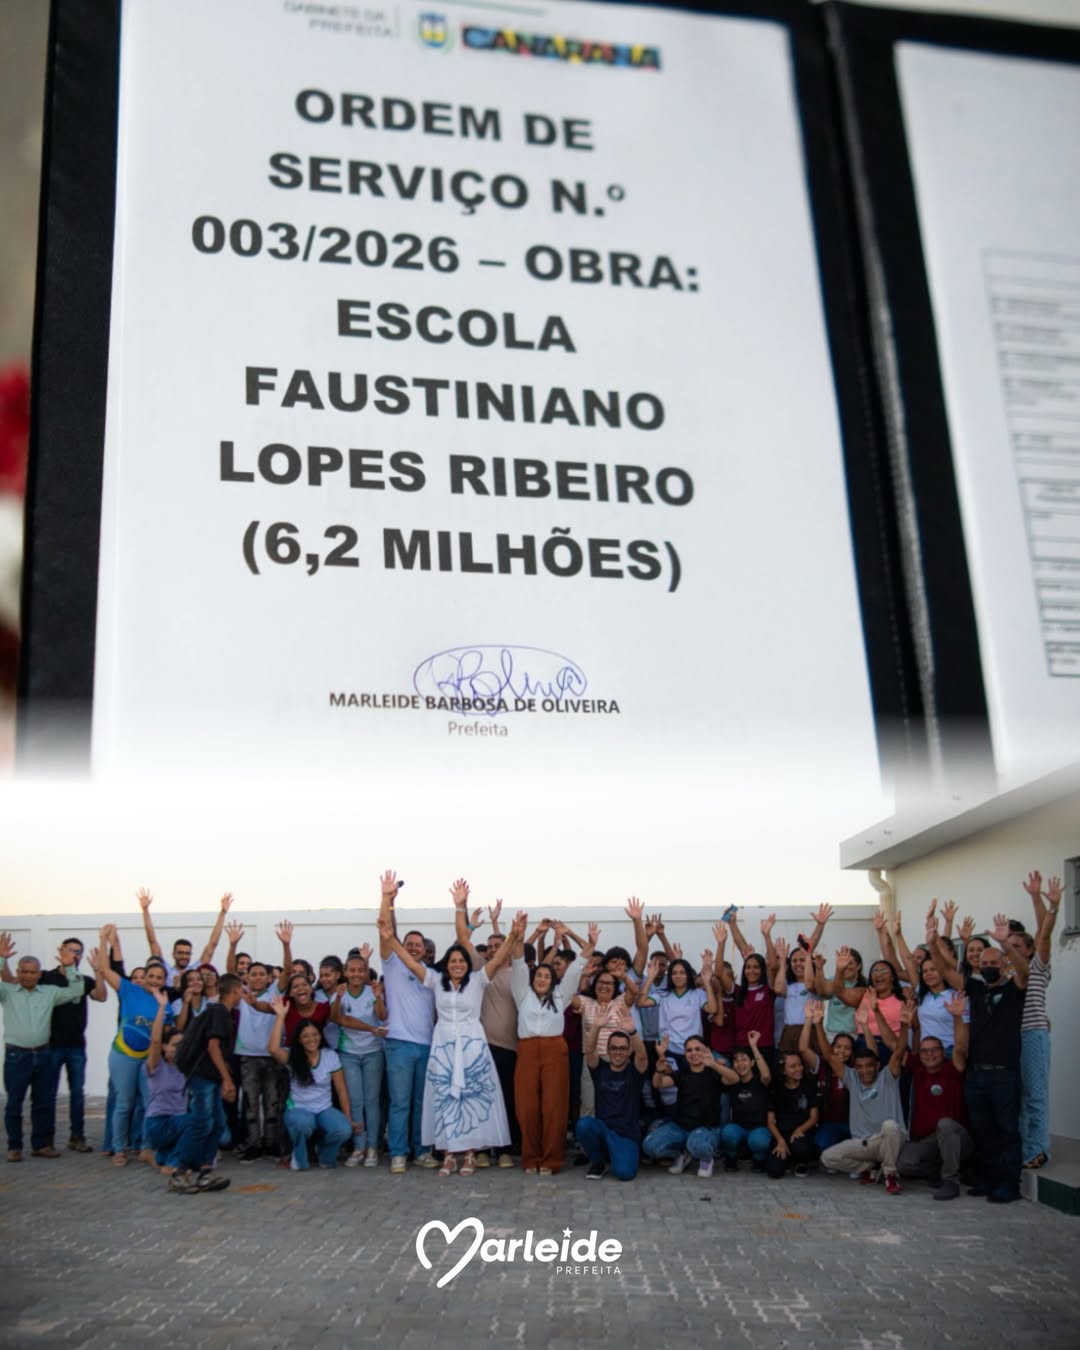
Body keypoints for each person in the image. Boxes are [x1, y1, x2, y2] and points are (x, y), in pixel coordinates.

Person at [377, 907, 522, 1177]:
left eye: (462, 961)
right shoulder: (435, 980)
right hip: (443, 1045)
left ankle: (468, 1154)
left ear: (468, 964)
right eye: (453, 960)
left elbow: (499, 956)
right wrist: (391, 939)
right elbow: (410, 963)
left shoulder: (478, 981)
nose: (457, 964)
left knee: (469, 1096)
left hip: (472, 1046)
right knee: (445, 1098)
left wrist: (513, 934)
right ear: (447, 963)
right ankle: (448, 1154)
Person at [933, 912, 1028, 1203]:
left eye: (993, 964)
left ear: (1003, 965)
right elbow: (944, 970)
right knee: (983, 1131)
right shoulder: (973, 988)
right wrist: (931, 940)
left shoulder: (1015, 990)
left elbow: (1025, 971)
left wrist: (1005, 944)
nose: (987, 967)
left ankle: (1008, 1184)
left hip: (1004, 1074)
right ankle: (988, 1179)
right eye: (984, 964)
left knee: (1007, 1131)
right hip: (976, 1074)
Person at [510, 920, 594, 1175]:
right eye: (539, 975)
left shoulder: (561, 995)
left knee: (554, 1107)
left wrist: (578, 936)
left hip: (555, 1051)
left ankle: (551, 1160)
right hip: (526, 1051)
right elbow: (517, 961)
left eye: (548, 975)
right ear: (532, 978)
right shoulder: (521, 993)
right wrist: (521, 934)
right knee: (527, 1107)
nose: (543, 979)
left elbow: (584, 956)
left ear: (554, 979)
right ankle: (531, 1158)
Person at [0, 935, 87, 1161]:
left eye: (32, 972)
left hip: (43, 1054)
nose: (28, 976)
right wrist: (1, 958)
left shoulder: (49, 992)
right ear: (18, 972)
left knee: (43, 1103)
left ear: (39, 974)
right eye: (24, 971)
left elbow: (76, 991)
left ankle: (40, 1145)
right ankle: (14, 1146)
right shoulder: (7, 992)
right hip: (16, 1055)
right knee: (14, 1103)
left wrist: (69, 967)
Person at [95, 926, 173, 1167]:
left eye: (160, 978)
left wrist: (162, 1007)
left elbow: (163, 1035)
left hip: (147, 1059)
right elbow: (105, 969)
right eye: (151, 976)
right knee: (124, 1103)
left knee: (150, 1102)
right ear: (145, 976)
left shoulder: (165, 1004)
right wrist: (103, 940)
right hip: (123, 1056)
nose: (154, 981)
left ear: (163, 981)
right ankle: (119, 1149)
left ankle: (146, 1147)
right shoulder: (129, 989)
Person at [377, 870, 438, 1172]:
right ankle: (398, 1152)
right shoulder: (392, 967)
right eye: (409, 943)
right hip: (399, 1045)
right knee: (400, 1103)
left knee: (420, 1103)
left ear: (425, 951)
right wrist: (387, 899)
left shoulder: (431, 976)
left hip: (426, 1046)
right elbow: (386, 932)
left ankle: (421, 1150)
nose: (413, 947)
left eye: (418, 946)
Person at [817, 1002, 906, 1195]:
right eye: (860, 1066)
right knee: (827, 1158)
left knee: (890, 1126)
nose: (864, 1070)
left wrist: (905, 1025)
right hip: (866, 1144)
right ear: (855, 1067)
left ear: (877, 1065)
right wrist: (818, 1023)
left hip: (890, 1140)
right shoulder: (851, 1078)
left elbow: (899, 1052)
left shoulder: (887, 1077)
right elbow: (828, 1055)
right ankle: (869, 1169)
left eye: (869, 1065)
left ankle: (890, 1175)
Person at [167, 973, 245, 1193]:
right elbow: (213, 1047)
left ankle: (205, 1171)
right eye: (241, 991)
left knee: (217, 1124)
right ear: (236, 990)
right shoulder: (220, 1013)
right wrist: (228, 1079)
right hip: (203, 1077)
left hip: (210, 1077)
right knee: (202, 1123)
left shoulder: (215, 1012)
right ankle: (179, 1172)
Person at [34, 936, 108, 1152]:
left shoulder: (84, 979)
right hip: (51, 1045)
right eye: (70, 950)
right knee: (47, 1094)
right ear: (61, 950)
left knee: (77, 1094)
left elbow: (101, 996)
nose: (74, 955)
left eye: (78, 952)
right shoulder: (46, 977)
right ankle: (46, 1140)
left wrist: (98, 972)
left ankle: (77, 1137)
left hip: (76, 1046)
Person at [895, 995, 972, 1200]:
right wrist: (905, 1026)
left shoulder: (952, 1069)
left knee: (945, 1124)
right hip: (928, 1142)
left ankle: (950, 1181)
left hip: (956, 1137)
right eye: (925, 1052)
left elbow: (961, 1048)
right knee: (904, 1164)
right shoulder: (918, 1070)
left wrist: (957, 1017)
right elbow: (897, 1051)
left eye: (935, 1050)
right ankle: (937, 1170)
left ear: (942, 1052)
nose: (930, 1055)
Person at [267, 998, 358, 1170]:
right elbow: (272, 1049)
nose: (311, 1039)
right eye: (306, 1036)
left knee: (343, 1130)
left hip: (324, 1109)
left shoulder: (330, 1055)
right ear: (299, 1039)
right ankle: (299, 1156)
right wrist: (280, 1017)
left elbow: (341, 1090)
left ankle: (324, 1155)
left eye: (315, 1034)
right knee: (303, 1124)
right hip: (299, 1109)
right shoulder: (292, 1056)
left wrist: (348, 1118)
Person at [1017, 871, 1060, 1170]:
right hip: (1010, 1039)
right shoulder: (1007, 975)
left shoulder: (1037, 968)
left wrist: (1039, 899)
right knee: (1017, 1098)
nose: (1012, 951)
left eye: (1018, 946)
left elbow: (1044, 934)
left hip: (1033, 1035)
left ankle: (1036, 1150)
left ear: (1029, 951)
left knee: (1035, 1096)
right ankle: (1021, 1148)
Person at [643, 1033, 733, 1177]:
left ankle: (706, 1159)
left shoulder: (714, 1072)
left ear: (706, 1050)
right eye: (689, 1050)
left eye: (698, 1049)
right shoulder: (682, 1073)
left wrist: (714, 1064)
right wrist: (659, 1068)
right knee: (650, 1146)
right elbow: (658, 1083)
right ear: (685, 1054)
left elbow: (733, 1079)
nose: (694, 1053)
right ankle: (681, 1155)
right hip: (681, 1127)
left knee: (697, 1143)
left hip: (707, 1129)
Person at [331, 949, 388, 1167]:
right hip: (349, 1054)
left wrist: (378, 997)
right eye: (352, 970)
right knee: (356, 1101)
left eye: (360, 970)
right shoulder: (341, 992)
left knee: (372, 1101)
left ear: (366, 972)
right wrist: (337, 997)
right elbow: (337, 1018)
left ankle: (372, 1147)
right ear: (345, 972)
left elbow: (382, 1016)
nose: (356, 974)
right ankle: (359, 1146)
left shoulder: (371, 991)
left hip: (373, 1052)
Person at [576, 1024, 649, 1180]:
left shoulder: (634, 1073)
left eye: (623, 1048)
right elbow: (589, 1050)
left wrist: (632, 1031)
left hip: (626, 1136)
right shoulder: (600, 1069)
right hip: (604, 1130)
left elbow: (642, 1055)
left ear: (629, 1051)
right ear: (608, 1050)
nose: (618, 1052)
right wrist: (596, 1026)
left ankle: (615, 1153)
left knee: (624, 1173)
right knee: (584, 1125)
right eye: (614, 1048)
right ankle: (598, 1162)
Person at [137, 887, 233, 992]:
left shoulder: (196, 970)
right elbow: (152, 941)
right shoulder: (165, 970)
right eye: (180, 953)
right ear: (174, 954)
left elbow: (212, 944)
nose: (184, 956)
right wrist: (145, 910)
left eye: (187, 953)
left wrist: (223, 912)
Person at [235, 961, 282, 1162]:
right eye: (253, 974)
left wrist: (286, 945)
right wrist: (233, 944)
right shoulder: (241, 995)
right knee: (251, 1104)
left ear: (269, 977)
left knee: (272, 1102)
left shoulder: (274, 995)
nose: (257, 977)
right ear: (247, 977)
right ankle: (253, 1143)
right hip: (248, 1056)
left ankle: (271, 1143)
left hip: (271, 1056)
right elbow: (230, 968)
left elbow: (287, 970)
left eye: (262, 974)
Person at [143, 990, 190, 1174]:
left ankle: (161, 1157)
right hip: (159, 1123)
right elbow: (155, 1041)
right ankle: (172, 1164)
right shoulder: (157, 1066)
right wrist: (162, 1008)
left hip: (177, 1124)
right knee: (192, 1122)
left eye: (182, 1045)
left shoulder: (185, 1067)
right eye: (174, 1045)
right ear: (165, 1046)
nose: (179, 1049)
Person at [719, 1030, 773, 1170]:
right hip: (739, 1128)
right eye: (736, 1060)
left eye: (744, 1059)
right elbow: (724, 1078)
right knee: (727, 1132)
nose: (740, 1064)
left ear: (752, 1063)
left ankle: (758, 1158)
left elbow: (766, 1075)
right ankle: (731, 1157)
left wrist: (754, 1046)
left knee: (759, 1141)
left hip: (759, 1128)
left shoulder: (760, 1080)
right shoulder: (732, 1080)